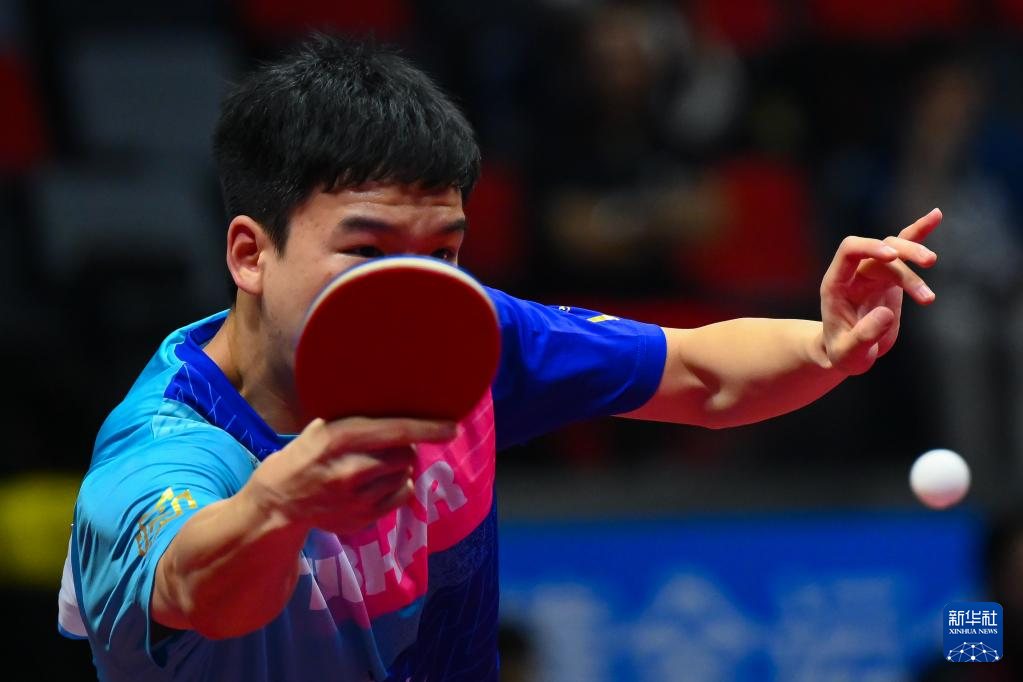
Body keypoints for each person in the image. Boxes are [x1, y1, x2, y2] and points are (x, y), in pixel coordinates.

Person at [57, 34, 941, 682]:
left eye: (442, 251)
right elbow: (197, 589)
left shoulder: (458, 335)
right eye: (365, 251)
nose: (411, 286)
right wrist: (279, 505)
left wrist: (825, 346)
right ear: (250, 254)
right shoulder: (168, 446)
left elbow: (698, 375)